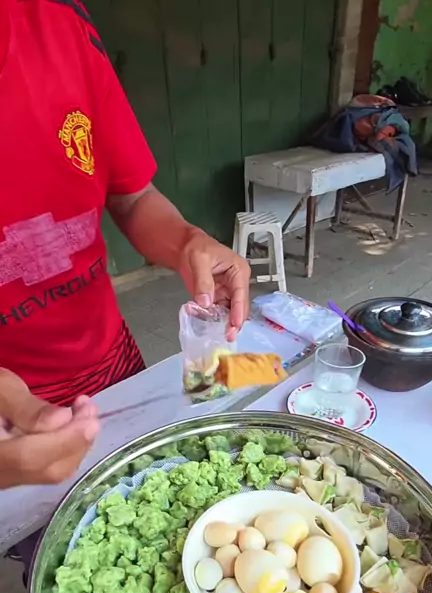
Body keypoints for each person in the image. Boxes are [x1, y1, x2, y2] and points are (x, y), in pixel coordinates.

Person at [0, 0, 249, 560]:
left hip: (114, 370)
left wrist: (186, 241)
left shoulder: (61, 24)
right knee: (72, 559)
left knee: (168, 524)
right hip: (12, 427)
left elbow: (131, 195)